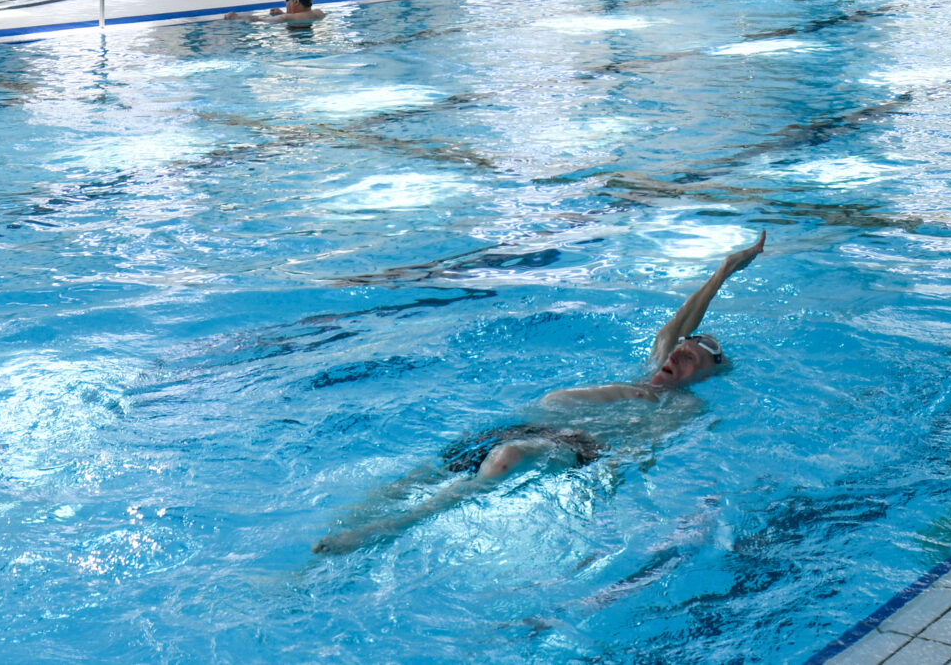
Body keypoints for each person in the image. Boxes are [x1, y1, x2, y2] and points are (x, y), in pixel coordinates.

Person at [313, 233, 766, 555]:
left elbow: (640, 454)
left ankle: (392, 529)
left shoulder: (680, 405)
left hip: (577, 447)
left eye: (690, 360)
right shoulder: (648, 373)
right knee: (428, 471)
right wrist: (725, 269)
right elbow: (678, 324)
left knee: (506, 455)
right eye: (679, 350)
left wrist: (607, 491)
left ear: (704, 376)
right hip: (533, 425)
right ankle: (337, 537)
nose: (678, 356)